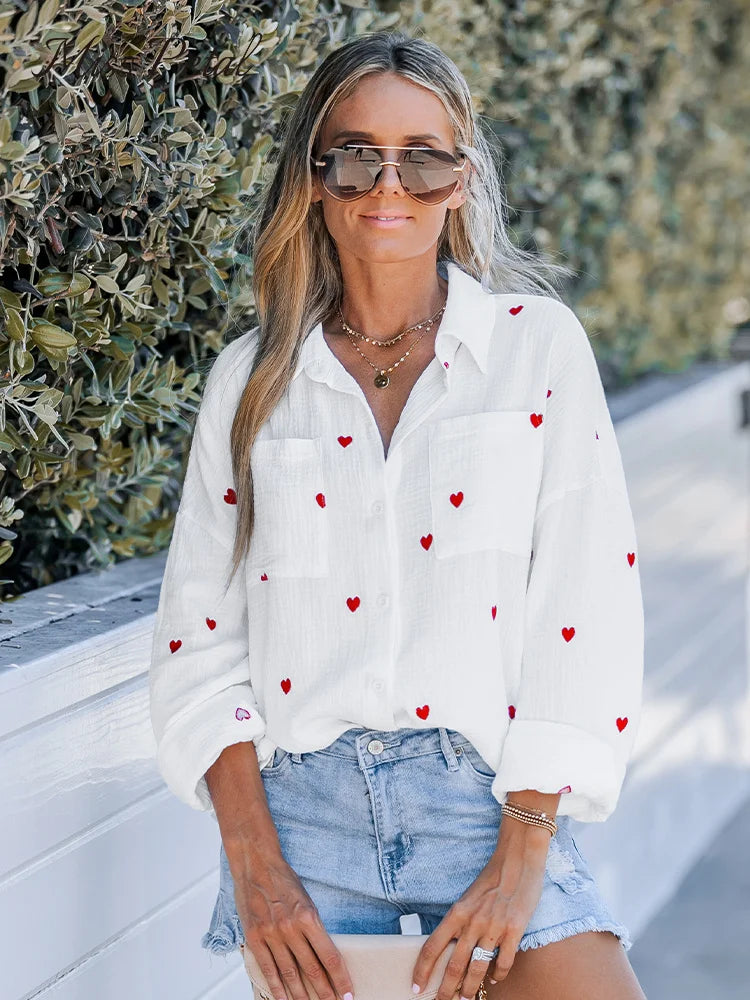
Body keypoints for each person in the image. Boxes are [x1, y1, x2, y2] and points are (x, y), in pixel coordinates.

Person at [148, 29, 647, 1000]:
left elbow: (582, 611)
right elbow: (200, 645)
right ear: (314, 176)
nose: (389, 187)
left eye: (423, 158)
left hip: (492, 809)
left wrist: (521, 857)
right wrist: (256, 872)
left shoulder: (535, 350)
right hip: (305, 834)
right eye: (356, 156)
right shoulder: (253, 380)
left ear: (460, 178)